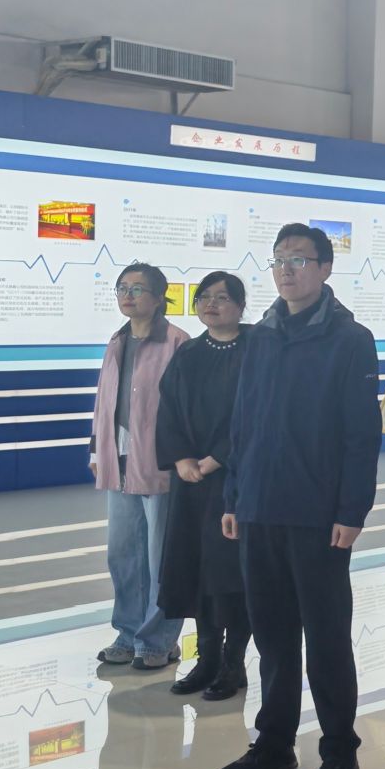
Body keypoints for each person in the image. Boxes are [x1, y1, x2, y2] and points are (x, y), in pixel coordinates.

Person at [213, 224, 382, 769]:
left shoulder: (350, 339)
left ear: (326, 268)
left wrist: (352, 510)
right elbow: (243, 422)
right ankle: (274, 743)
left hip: (318, 514)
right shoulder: (261, 336)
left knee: (327, 638)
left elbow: (362, 434)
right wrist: (235, 495)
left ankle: (339, 752)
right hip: (260, 507)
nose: (286, 269)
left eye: (300, 260)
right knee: (272, 636)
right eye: (279, 259)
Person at [155, 271, 251, 700]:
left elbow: (259, 414)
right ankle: (207, 659)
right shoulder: (188, 353)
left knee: (233, 574)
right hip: (191, 481)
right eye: (204, 297)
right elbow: (168, 411)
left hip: (237, 479)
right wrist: (181, 459)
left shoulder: (257, 350)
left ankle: (233, 663)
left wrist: (219, 458)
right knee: (197, 571)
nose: (212, 304)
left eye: (222, 297)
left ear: (241, 306)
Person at [91, 263, 188, 671]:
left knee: (160, 558)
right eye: (122, 288)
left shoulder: (178, 343)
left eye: (137, 288)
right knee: (123, 555)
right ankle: (128, 633)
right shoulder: (116, 341)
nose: (127, 296)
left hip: (160, 464)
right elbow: (103, 401)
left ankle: (158, 640)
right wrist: (96, 450)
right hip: (119, 462)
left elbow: (187, 409)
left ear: (159, 297)